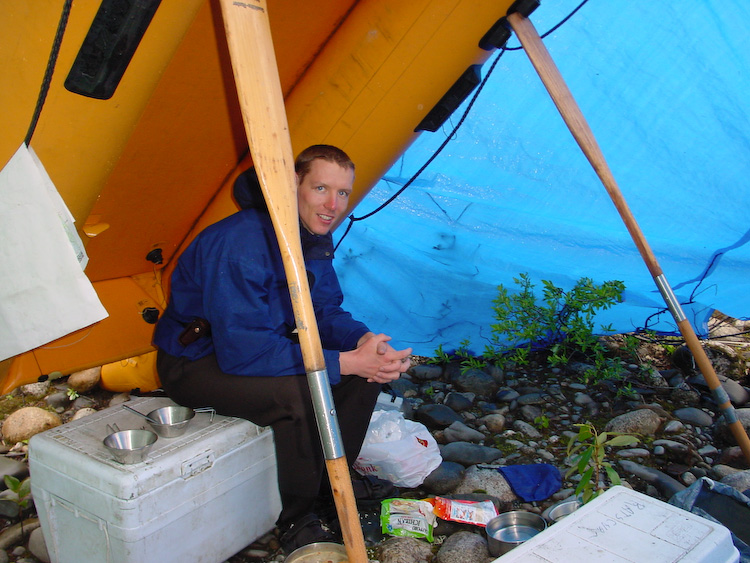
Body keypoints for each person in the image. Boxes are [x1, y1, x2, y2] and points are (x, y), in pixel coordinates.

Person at [152, 145, 412, 554]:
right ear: (292, 185)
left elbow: (323, 309)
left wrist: (362, 344)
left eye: (342, 193)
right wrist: (342, 362)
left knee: (365, 377)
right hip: (197, 362)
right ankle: (294, 515)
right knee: (299, 395)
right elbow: (244, 352)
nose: (333, 204)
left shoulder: (309, 237)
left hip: (259, 345)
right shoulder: (240, 243)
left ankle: (333, 488)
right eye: (321, 188)